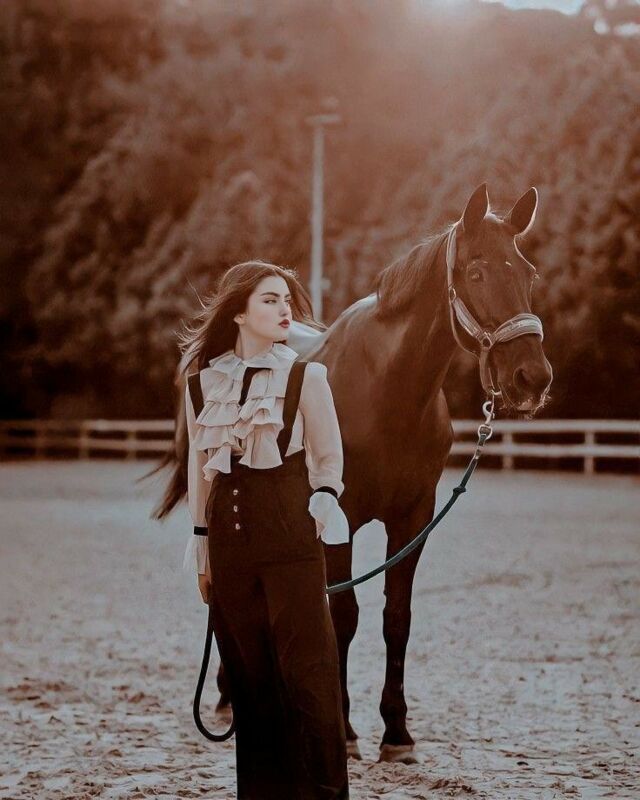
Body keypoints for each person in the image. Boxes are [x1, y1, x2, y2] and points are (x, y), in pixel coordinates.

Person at [180, 260, 351, 800]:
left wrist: (323, 501)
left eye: (286, 301)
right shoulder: (202, 385)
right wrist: (204, 554)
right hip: (229, 546)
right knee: (251, 682)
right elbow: (200, 473)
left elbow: (329, 460)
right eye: (270, 300)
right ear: (239, 314)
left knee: (310, 677)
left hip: (291, 541)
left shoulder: (307, 377)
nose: (284, 311)